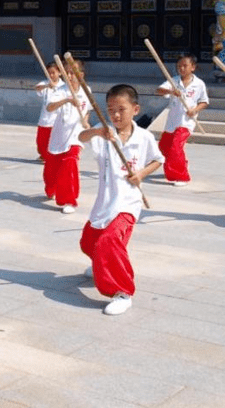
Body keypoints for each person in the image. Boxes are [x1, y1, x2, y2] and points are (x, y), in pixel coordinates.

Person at [79, 84, 163, 315]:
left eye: (121, 109)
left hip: (128, 203)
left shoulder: (144, 137)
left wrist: (141, 174)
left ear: (135, 109)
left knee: (109, 241)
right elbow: (81, 136)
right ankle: (101, 262)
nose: (115, 114)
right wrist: (97, 132)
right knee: (88, 243)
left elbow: (158, 160)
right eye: (111, 109)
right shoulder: (104, 132)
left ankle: (122, 292)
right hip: (105, 202)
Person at [43, 59, 91, 213]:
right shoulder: (60, 91)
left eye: (73, 72)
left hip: (76, 136)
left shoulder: (86, 91)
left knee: (70, 163)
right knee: (51, 172)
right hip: (58, 136)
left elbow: (88, 110)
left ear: (81, 75)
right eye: (67, 72)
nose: (69, 76)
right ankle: (51, 188)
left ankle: (69, 200)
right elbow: (49, 107)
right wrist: (67, 100)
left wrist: (85, 121)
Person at [155, 53, 209, 185]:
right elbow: (159, 90)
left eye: (185, 66)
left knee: (176, 147)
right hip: (172, 121)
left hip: (186, 122)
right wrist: (171, 92)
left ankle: (180, 176)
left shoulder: (199, 84)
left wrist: (195, 110)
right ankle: (181, 163)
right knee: (164, 146)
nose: (182, 68)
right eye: (179, 66)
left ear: (193, 67)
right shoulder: (173, 81)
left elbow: (204, 102)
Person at [34, 62, 66, 162]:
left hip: (56, 119)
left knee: (53, 141)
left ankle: (51, 158)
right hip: (44, 119)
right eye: (49, 73)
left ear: (60, 73)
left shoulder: (64, 86)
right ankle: (44, 155)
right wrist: (47, 86)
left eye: (53, 72)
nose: (51, 75)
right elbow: (37, 88)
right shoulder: (44, 83)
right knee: (40, 142)